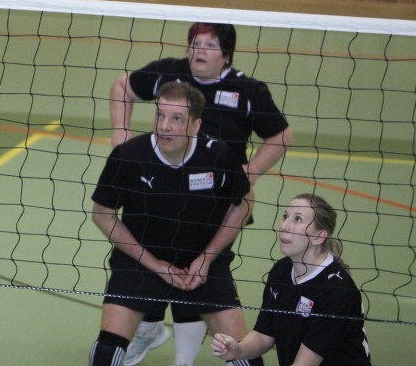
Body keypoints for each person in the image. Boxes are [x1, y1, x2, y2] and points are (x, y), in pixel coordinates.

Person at [108, 22, 293, 366]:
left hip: (217, 203)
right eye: (195, 43)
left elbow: (281, 135)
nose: (199, 51)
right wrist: (121, 136)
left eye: (209, 45)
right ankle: (149, 329)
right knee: (151, 260)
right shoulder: (170, 73)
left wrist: (250, 171)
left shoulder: (247, 90)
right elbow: (122, 86)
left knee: (196, 270)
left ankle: (182, 358)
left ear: (226, 54)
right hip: (160, 191)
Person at [89, 80, 262, 366]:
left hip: (203, 264)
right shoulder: (129, 156)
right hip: (140, 263)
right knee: (106, 354)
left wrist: (207, 258)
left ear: (195, 126)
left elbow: (244, 202)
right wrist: (154, 264)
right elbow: (102, 214)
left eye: (177, 118)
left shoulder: (217, 155)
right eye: (160, 114)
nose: (164, 126)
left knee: (246, 357)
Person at [212, 193, 372, 365]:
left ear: (318, 237)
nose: (285, 226)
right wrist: (239, 349)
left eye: (298, 219)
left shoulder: (336, 290)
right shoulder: (281, 270)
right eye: (285, 216)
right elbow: (264, 335)